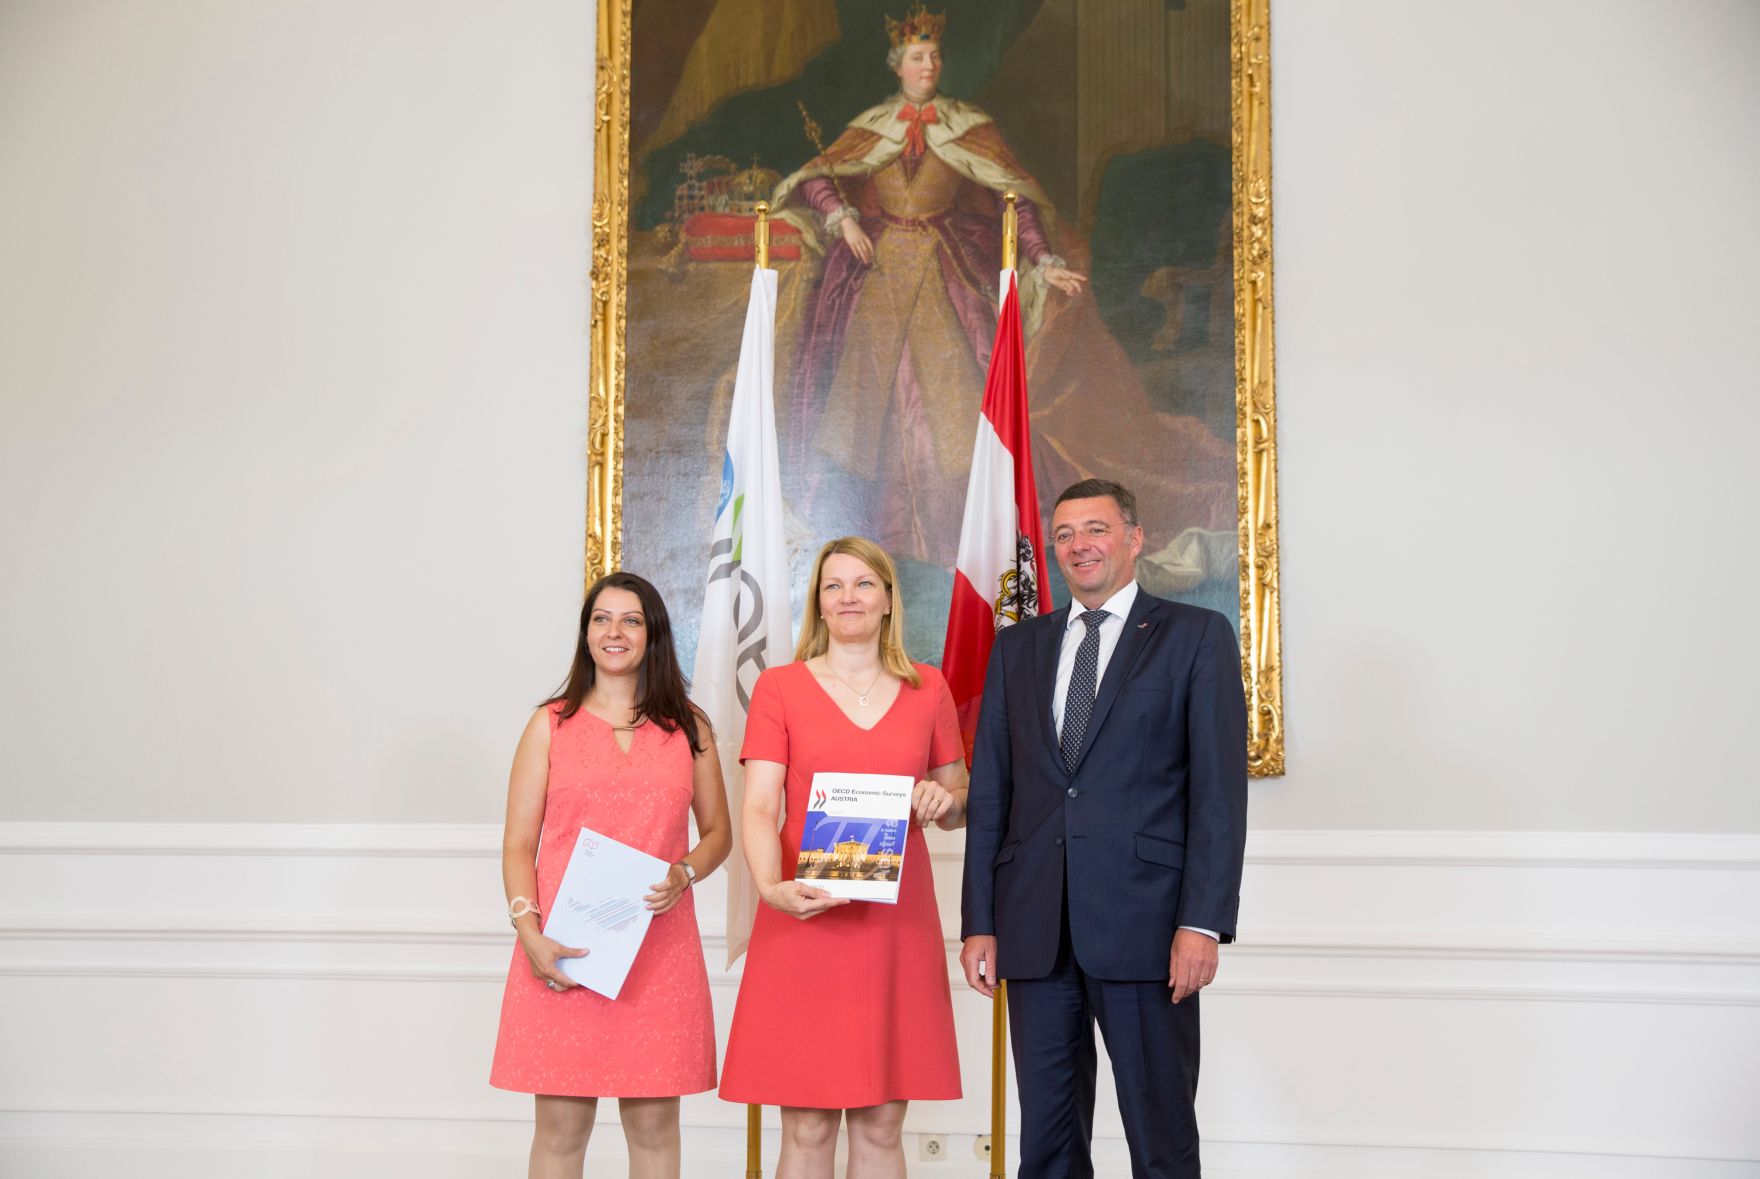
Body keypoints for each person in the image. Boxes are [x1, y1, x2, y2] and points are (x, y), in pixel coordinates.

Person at [770, 6, 1237, 576]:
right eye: (918, 57)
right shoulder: (874, 125)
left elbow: (1012, 201)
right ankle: (879, 537)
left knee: (959, 411)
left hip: (947, 279)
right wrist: (841, 217)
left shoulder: (969, 127)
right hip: (878, 281)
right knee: (876, 410)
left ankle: (958, 541)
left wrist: (1044, 261)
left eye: (935, 56)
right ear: (899, 65)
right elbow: (818, 176)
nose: (929, 65)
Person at [958, 479, 1248, 1179]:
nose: (1079, 545)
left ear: (1134, 538)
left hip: (1149, 929)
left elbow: (1217, 794)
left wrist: (1203, 922)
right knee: (1048, 1148)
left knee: (1162, 1138)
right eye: (1064, 534)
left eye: (1095, 528)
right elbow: (993, 790)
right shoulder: (1018, 648)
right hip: (1035, 933)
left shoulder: (1195, 636)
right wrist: (979, 922)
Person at [720, 536, 969, 1178]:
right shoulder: (780, 688)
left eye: (864, 584)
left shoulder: (929, 687)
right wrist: (770, 887)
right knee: (805, 1124)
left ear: (888, 599)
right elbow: (757, 808)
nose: (849, 596)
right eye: (834, 586)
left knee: (884, 1123)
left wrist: (944, 799)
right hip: (803, 914)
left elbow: (960, 802)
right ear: (819, 605)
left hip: (898, 924)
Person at [491, 572, 732, 1179]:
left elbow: (720, 835)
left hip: (659, 952)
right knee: (561, 1130)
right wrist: (530, 933)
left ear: (653, 635)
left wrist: (684, 871)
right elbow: (519, 844)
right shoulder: (549, 725)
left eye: (631, 620)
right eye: (602, 619)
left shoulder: (690, 728)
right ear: (585, 633)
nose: (614, 632)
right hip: (564, 951)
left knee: (654, 1129)